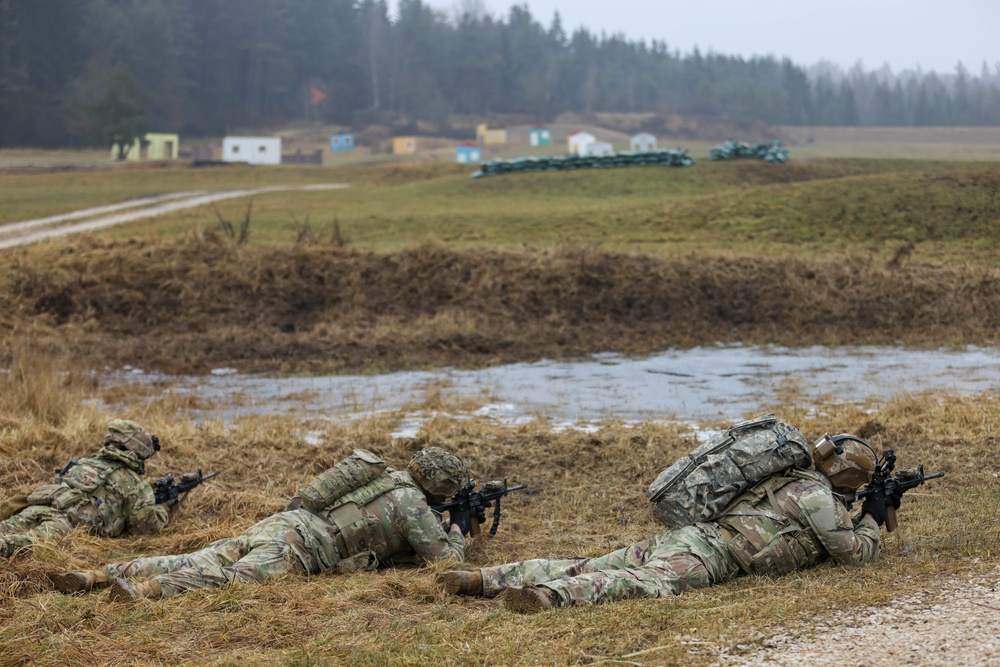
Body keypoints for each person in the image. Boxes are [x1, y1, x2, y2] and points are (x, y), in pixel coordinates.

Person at [438, 436, 889, 613]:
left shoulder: (787, 476)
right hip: (710, 557)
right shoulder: (818, 497)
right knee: (636, 583)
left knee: (587, 560)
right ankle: (546, 597)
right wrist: (870, 520)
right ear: (851, 480)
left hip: (692, 535)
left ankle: (481, 579)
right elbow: (853, 554)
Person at [51, 447, 469, 601]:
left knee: (199, 555)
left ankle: (95, 576)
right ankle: (142, 591)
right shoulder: (414, 504)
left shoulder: (384, 476)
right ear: (442, 486)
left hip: (283, 522)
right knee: (227, 578)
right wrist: (458, 527)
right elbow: (442, 563)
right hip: (298, 549)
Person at [1, 420, 171, 559]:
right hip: (65, 522)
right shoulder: (135, 484)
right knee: (23, 545)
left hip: (38, 507)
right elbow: (144, 528)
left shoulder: (84, 462)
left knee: (6, 528)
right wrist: (164, 509)